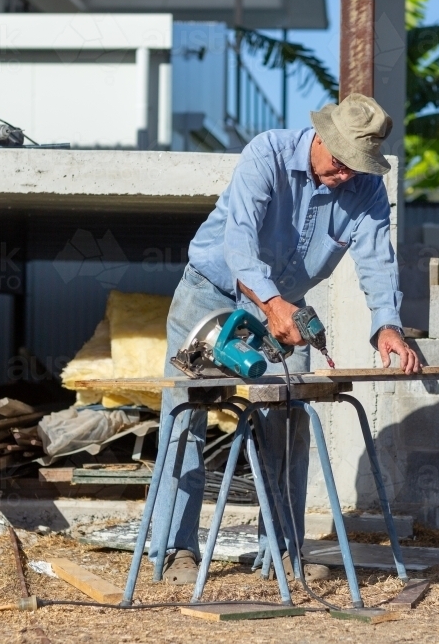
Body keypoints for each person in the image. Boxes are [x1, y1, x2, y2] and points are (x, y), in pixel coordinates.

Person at [151, 93, 421, 584]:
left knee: (290, 422)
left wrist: (387, 325)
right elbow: (239, 243)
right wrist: (272, 304)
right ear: (320, 138)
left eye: (357, 168)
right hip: (211, 293)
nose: (345, 176)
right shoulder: (267, 154)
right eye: (339, 163)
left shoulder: (365, 189)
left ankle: (280, 553)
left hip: (284, 311)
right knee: (185, 418)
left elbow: (378, 261)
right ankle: (174, 551)